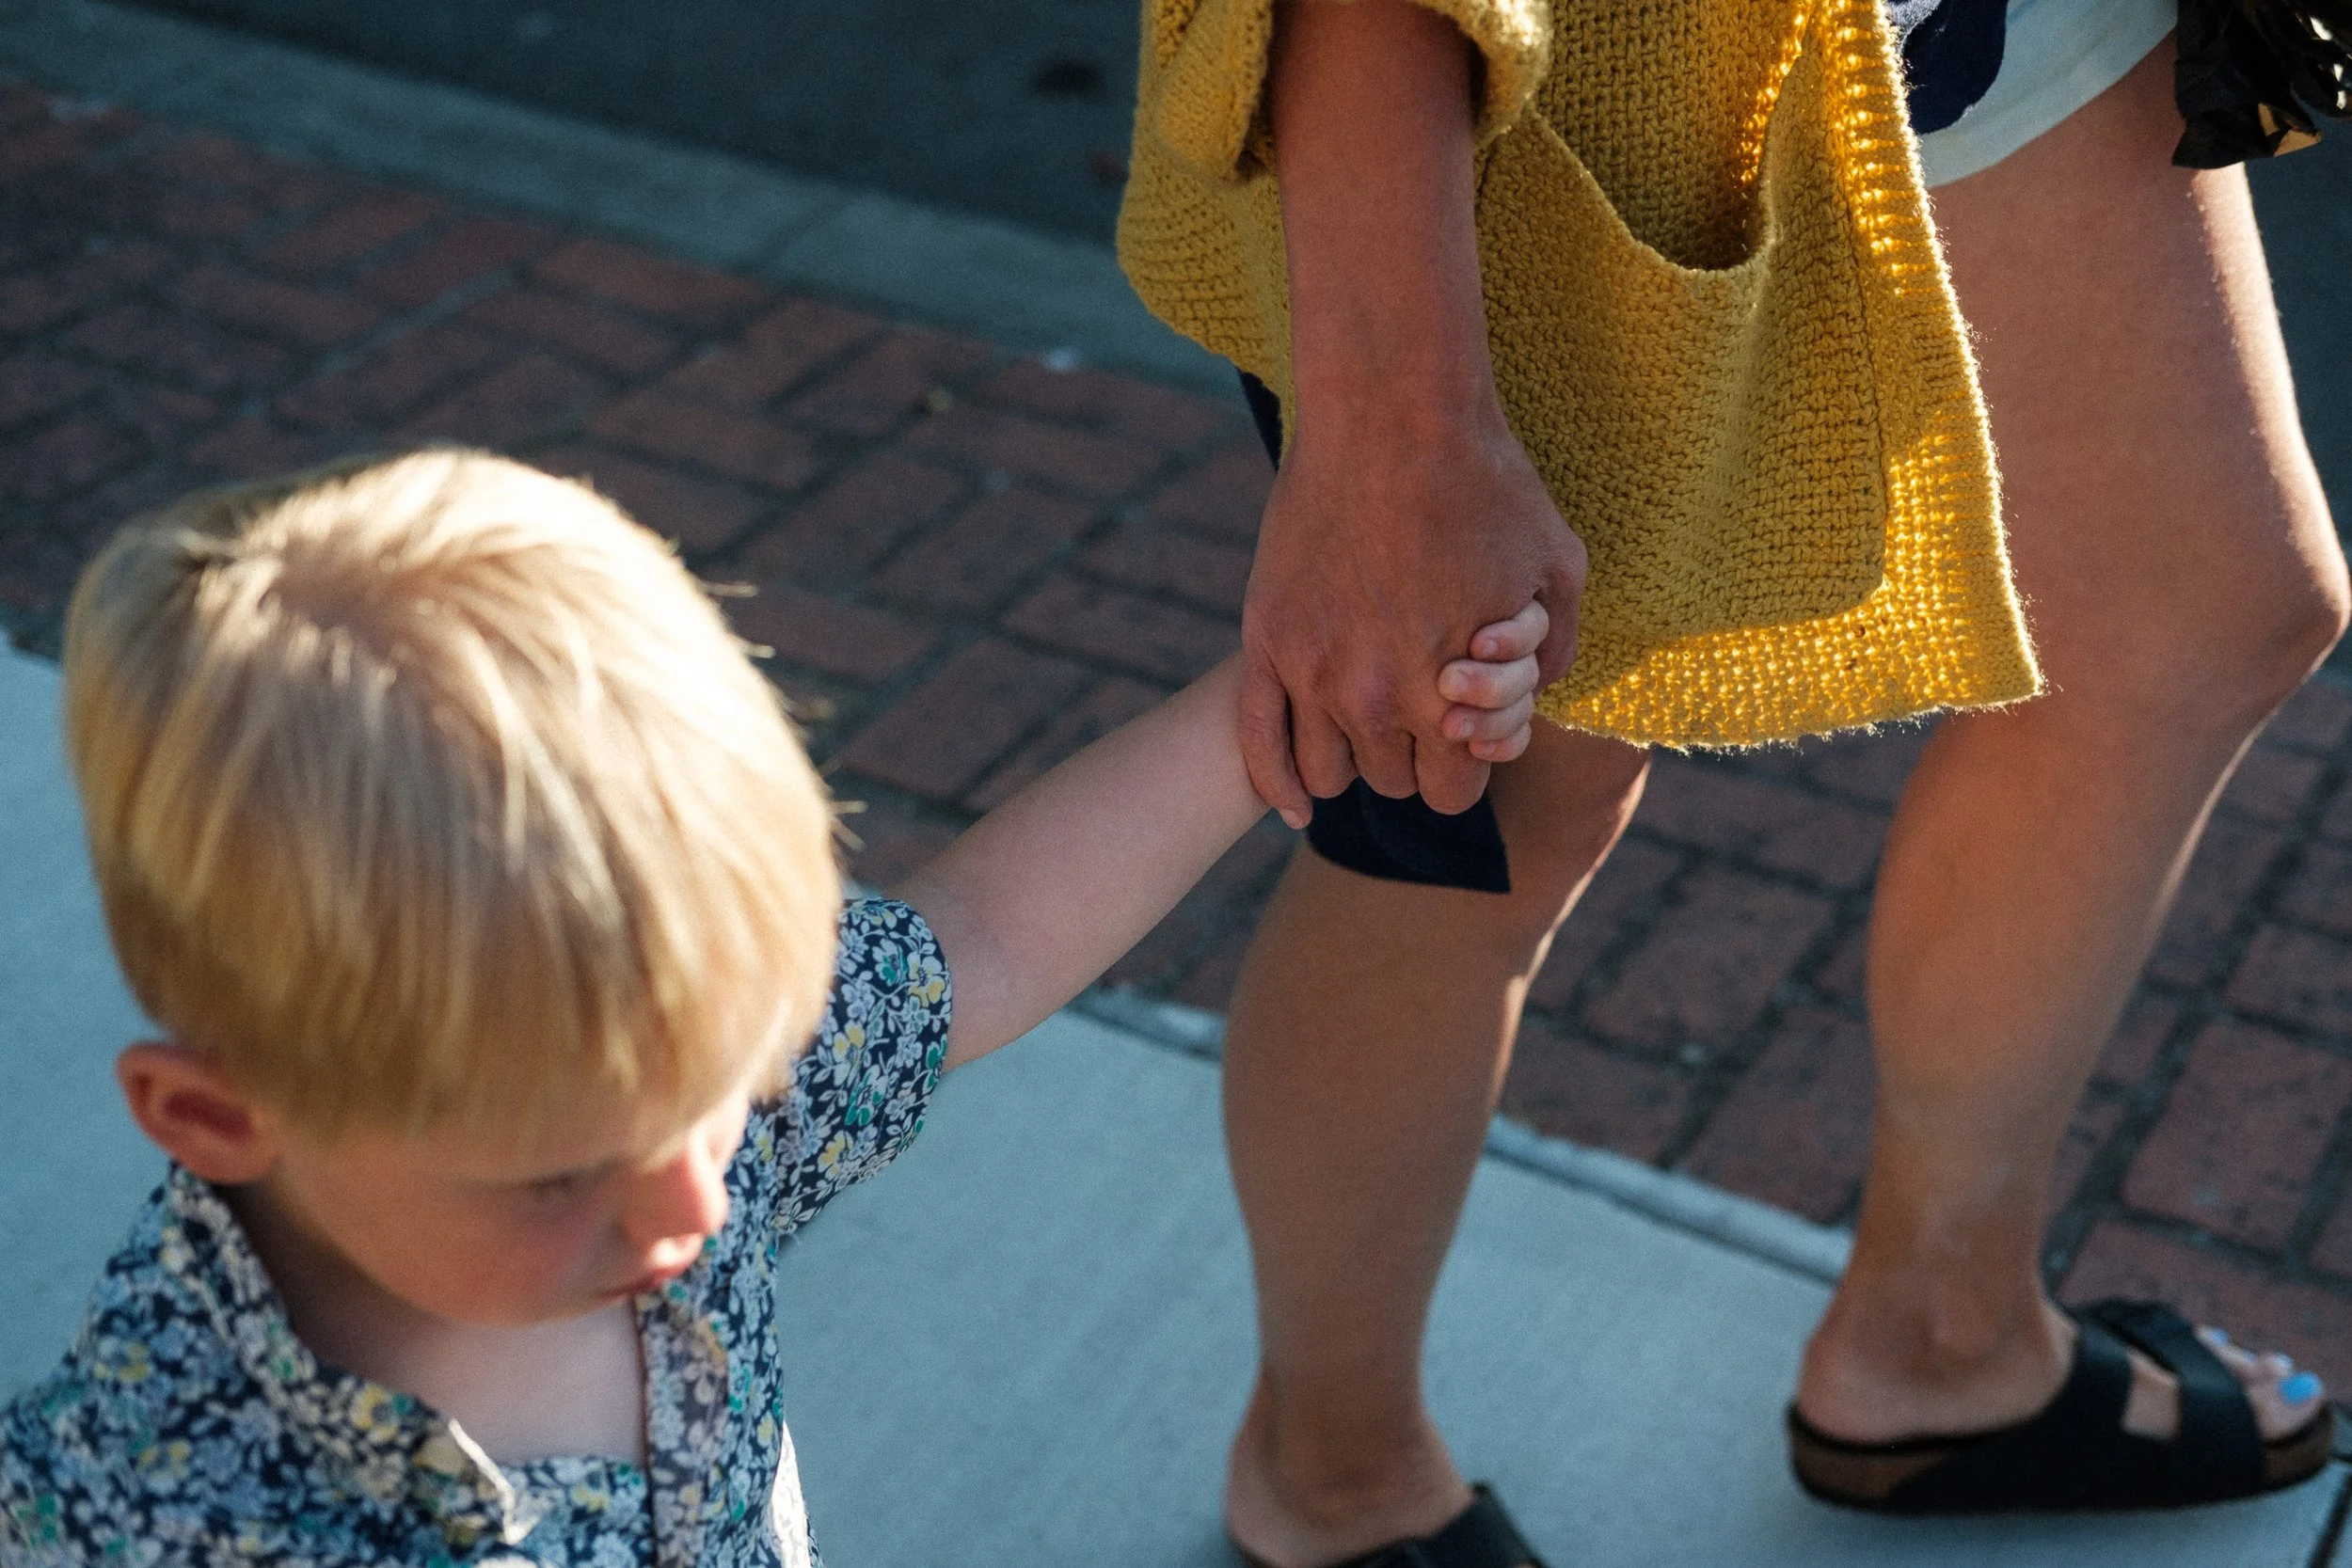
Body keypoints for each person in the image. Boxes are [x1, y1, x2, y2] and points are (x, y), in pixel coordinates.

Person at [1119, 0, 2351, 1561]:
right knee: (1474, 794)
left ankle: (1939, 1338)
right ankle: (1334, 1472)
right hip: (1581, 62)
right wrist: (1395, 426)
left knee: (2198, 611)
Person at [0, 448, 1545, 1564]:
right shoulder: (146, 1506)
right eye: (558, 1175)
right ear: (219, 1116)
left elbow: (984, 940)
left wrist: (1286, 692)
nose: (693, 1204)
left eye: (727, 1083)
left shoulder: (622, 1098)